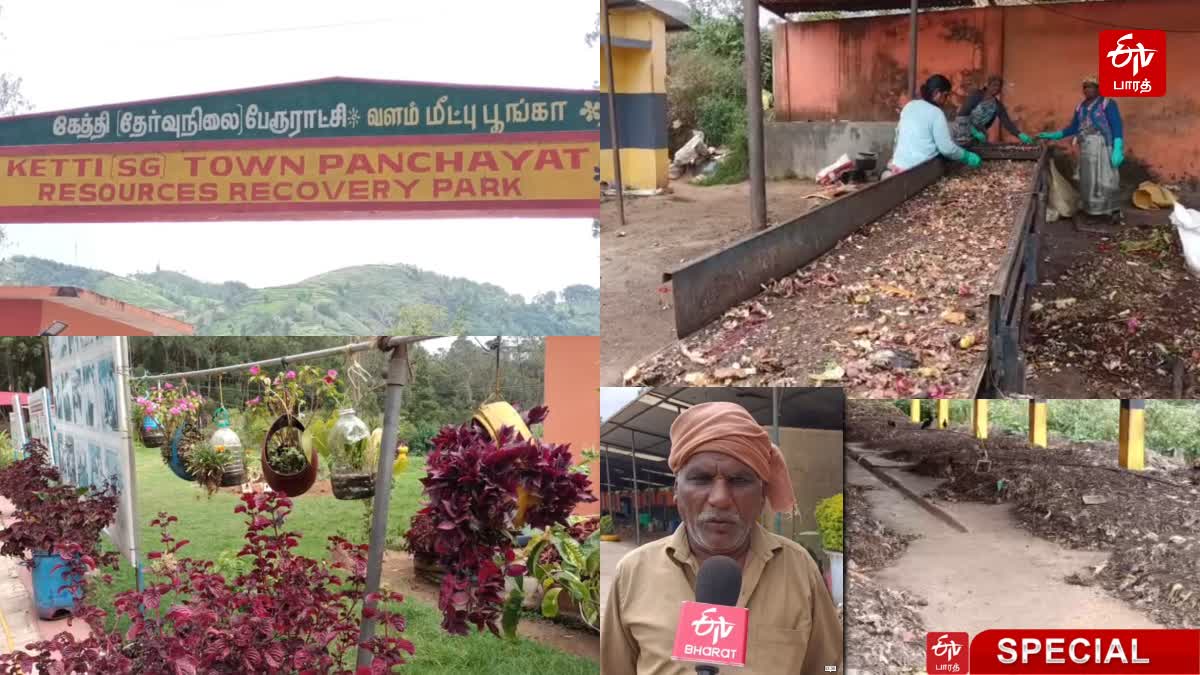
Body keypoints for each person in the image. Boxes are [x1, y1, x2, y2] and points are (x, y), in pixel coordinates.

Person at [600, 402, 843, 675]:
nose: (720, 499)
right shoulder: (633, 572)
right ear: (677, 492)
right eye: (701, 479)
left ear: (762, 494)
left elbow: (830, 665)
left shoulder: (800, 569)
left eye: (739, 481)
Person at [1038, 76, 1125, 223]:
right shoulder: (1081, 107)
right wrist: (1054, 134)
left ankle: (1113, 211)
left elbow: (1117, 125)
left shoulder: (1107, 104)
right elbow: (1073, 127)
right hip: (1086, 147)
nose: (1088, 90)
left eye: (1091, 86)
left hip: (1103, 146)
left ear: (1098, 88)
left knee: (1107, 179)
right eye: (1085, 87)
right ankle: (1094, 212)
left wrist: (1118, 147)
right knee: (1089, 181)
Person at [885, 74, 981, 178]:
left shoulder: (909, 105)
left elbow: (898, 137)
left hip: (898, 167)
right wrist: (967, 156)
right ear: (936, 93)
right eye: (945, 95)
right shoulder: (936, 112)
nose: (946, 99)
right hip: (919, 171)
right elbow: (947, 148)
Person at [952, 75, 1034, 147]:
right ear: (987, 85)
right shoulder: (976, 95)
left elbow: (1007, 123)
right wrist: (974, 132)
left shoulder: (997, 105)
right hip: (961, 131)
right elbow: (961, 115)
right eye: (994, 85)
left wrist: (1020, 135)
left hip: (977, 136)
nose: (997, 88)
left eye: (999, 86)